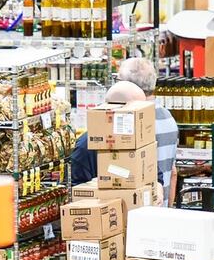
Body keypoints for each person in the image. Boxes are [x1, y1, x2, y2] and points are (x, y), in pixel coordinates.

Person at [69, 61, 179, 203]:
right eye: (137, 112)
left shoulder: (142, 141)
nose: (142, 117)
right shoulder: (88, 145)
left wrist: (158, 189)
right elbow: (78, 194)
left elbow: (156, 176)